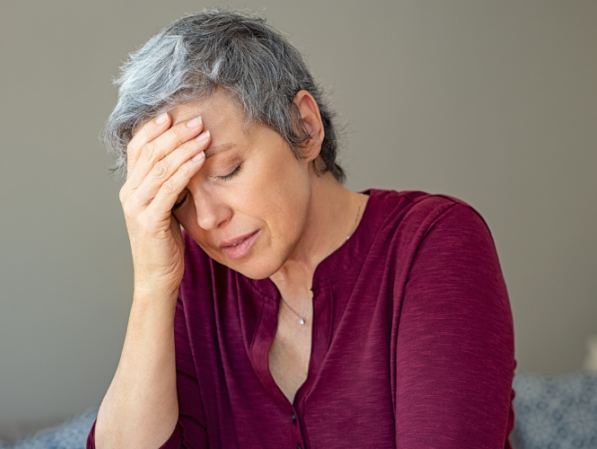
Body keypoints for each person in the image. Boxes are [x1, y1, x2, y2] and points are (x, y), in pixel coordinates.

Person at [87, 10, 516, 449]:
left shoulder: (433, 244)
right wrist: (153, 286)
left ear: (304, 127)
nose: (208, 218)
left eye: (228, 169)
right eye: (179, 198)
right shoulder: (193, 280)